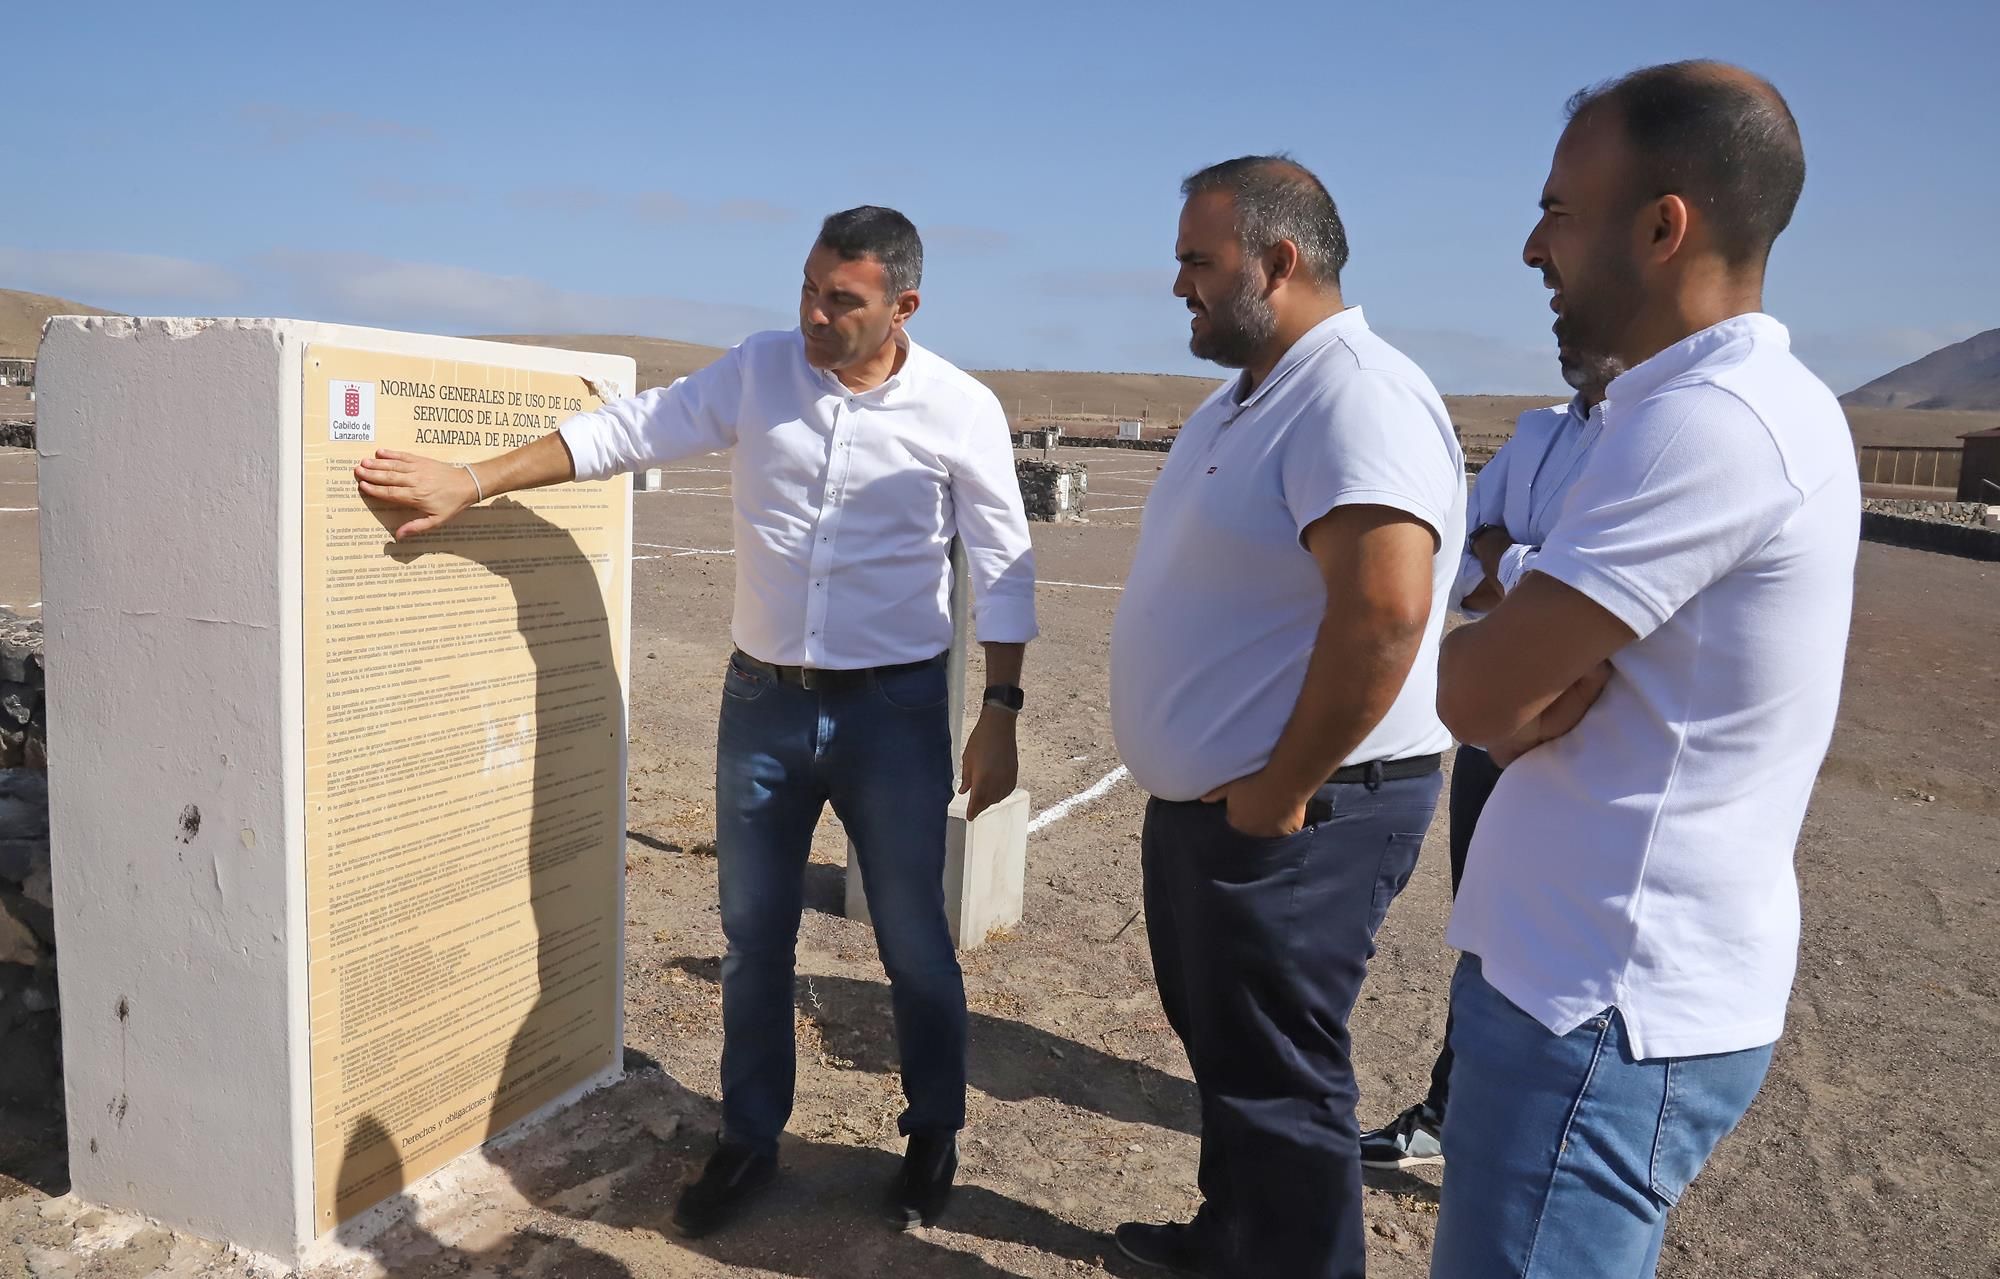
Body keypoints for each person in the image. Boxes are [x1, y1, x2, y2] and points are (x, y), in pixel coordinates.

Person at [353, 206, 1038, 1238]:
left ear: (902, 306)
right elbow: (629, 431)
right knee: (753, 936)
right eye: (805, 288)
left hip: (892, 713)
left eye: (839, 301)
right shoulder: (760, 370)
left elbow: (1002, 560)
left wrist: (1001, 708)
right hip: (761, 704)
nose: (812, 313)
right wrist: (474, 480)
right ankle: (749, 1137)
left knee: (912, 940)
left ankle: (931, 1129)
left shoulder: (959, 407)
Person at [1432, 62, 1858, 1277]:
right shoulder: (1677, 411)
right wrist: (1524, 657)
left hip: (1600, 1003)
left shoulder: (1711, 421)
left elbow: (1473, 692)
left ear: (1661, 226)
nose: (1530, 247)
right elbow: (1513, 680)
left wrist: (1514, 660)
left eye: (1558, 210)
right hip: (1578, 980)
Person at [1109, 155, 1465, 1279]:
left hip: (1305, 809)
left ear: (1277, 260)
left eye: (1195, 262)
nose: (1178, 286)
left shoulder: (1352, 392)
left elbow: (1384, 611)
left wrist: (1275, 791)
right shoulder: (1250, 394)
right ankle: (1234, 1241)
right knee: (1232, 1053)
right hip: (1229, 806)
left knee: (1282, 1078)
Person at [1359, 354, 1616, 1171]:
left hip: (1587, 746)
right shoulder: (1538, 434)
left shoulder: (1653, 437)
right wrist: (1526, 572)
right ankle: (1449, 1113)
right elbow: (1460, 562)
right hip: (1490, 743)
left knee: (1563, 950)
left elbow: (1587, 598)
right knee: (1485, 932)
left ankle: (1528, 1133)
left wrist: (1517, 564)